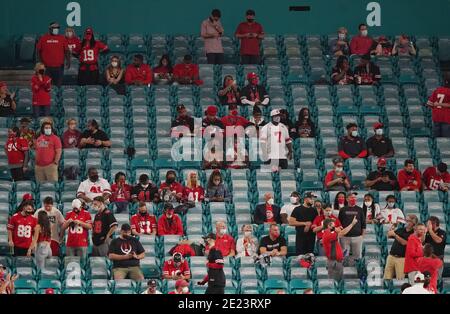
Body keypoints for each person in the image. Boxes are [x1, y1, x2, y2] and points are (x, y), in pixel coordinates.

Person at [322, 215, 359, 281]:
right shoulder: (328, 234)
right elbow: (342, 233)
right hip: (334, 263)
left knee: (337, 282)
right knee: (334, 282)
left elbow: (339, 231)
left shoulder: (330, 232)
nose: (335, 227)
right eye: (334, 225)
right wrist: (352, 224)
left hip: (336, 262)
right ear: (329, 225)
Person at [36, 22, 70, 87]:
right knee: (46, 85)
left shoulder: (62, 38)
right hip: (46, 67)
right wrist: (40, 62)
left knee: (58, 86)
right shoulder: (43, 38)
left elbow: (66, 51)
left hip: (59, 67)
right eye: (54, 28)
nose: (56, 29)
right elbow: (38, 51)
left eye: (57, 28)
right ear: (50, 29)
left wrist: (68, 61)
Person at [384, 215, 418, 280]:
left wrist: (396, 236)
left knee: (400, 278)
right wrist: (392, 228)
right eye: (406, 220)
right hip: (391, 256)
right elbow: (389, 235)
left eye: (408, 221)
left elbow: (405, 243)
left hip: (402, 258)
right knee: (387, 277)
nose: (406, 222)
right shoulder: (401, 230)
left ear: (413, 223)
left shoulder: (413, 234)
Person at [338, 192, 366, 265]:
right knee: (344, 257)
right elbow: (339, 223)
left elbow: (363, 224)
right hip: (345, 238)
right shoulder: (343, 210)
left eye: (354, 197)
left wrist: (362, 236)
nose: (353, 199)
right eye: (351, 197)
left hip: (357, 237)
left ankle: (357, 272)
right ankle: (344, 271)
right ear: (347, 199)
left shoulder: (360, 209)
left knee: (357, 257)